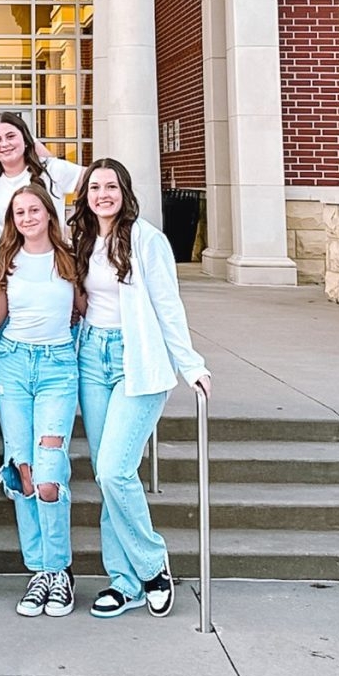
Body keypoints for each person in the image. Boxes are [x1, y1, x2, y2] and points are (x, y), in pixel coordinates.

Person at [71, 157, 212, 619]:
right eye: (95, 187)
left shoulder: (147, 239)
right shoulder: (84, 238)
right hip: (93, 356)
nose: (102, 194)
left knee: (114, 470)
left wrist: (190, 364)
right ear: (86, 195)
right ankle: (124, 581)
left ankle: (153, 566)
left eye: (111, 186)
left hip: (139, 361)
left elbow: (168, 305)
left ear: (124, 192)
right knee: (111, 474)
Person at [0, 184, 81, 617]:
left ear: (48, 213)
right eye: (19, 212)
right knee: (24, 473)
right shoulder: (6, 261)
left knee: (48, 475)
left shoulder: (69, 260)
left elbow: (87, 309)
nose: (27, 218)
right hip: (12, 364)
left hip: (58, 368)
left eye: (34, 210)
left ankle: (59, 569)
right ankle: (39, 572)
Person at [0, 112, 84, 245]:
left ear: (26, 140)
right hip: (7, 263)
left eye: (11, 136)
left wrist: (75, 220)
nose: (4, 144)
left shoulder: (51, 169)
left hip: (55, 262)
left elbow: (95, 182)